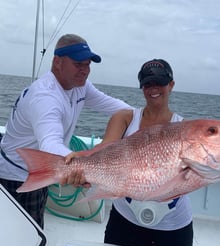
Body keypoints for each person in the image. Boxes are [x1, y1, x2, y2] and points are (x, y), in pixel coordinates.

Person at [0, 33, 132, 229]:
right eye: (79, 64)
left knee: (33, 228)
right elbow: (50, 143)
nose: (85, 70)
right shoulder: (44, 96)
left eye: (88, 64)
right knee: (25, 234)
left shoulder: (80, 87)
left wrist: (147, 118)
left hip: (41, 170)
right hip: (17, 174)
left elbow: (118, 107)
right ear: (57, 62)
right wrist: (80, 166)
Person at [65, 59, 193, 246]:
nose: (153, 89)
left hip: (173, 226)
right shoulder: (125, 118)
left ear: (171, 85)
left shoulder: (185, 129)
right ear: (141, 87)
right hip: (125, 220)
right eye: (148, 84)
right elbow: (104, 150)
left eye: (160, 82)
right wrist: (80, 162)